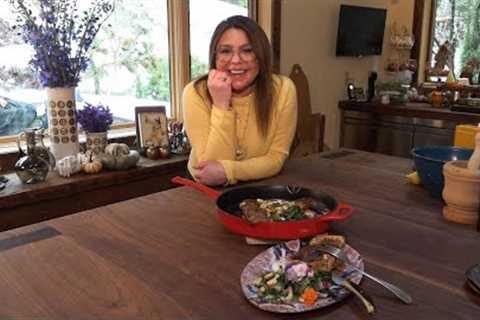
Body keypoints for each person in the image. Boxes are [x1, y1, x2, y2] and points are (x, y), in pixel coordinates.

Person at [183, 15, 297, 186]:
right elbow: (209, 171)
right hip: (201, 189)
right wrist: (221, 104)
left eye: (247, 50)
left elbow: (276, 159)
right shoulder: (195, 92)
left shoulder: (283, 90)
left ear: (261, 56)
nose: (236, 60)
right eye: (226, 51)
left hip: (259, 185)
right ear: (215, 57)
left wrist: (230, 171)